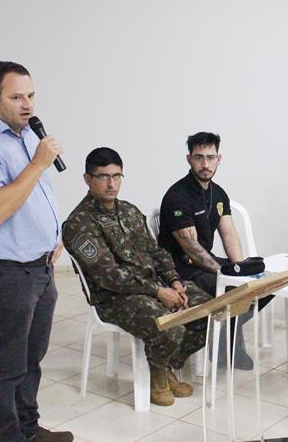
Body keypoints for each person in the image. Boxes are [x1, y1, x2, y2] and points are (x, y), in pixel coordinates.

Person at [0, 61, 73, 442]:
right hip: (9, 272)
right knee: (7, 364)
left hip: (40, 268)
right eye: (16, 96)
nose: (27, 104)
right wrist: (39, 163)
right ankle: (7, 436)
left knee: (31, 360)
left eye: (31, 95)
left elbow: (33, 196)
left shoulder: (24, 137)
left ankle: (29, 428)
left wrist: (53, 237)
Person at [62, 148, 210, 406]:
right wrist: (158, 291)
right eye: (103, 177)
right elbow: (109, 276)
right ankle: (158, 377)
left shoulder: (129, 211)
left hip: (153, 286)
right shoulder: (79, 223)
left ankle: (165, 365)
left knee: (206, 310)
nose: (111, 184)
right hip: (115, 297)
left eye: (117, 176)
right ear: (87, 179)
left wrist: (174, 280)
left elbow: (156, 252)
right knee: (169, 321)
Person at [158, 132, 271, 370]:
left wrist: (241, 268)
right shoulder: (177, 196)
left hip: (203, 263)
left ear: (219, 159)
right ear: (189, 159)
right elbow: (191, 247)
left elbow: (229, 234)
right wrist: (226, 272)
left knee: (265, 286)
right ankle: (228, 348)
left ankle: (224, 343)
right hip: (179, 268)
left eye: (210, 157)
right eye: (199, 158)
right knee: (233, 287)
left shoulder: (218, 193)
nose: (205, 164)